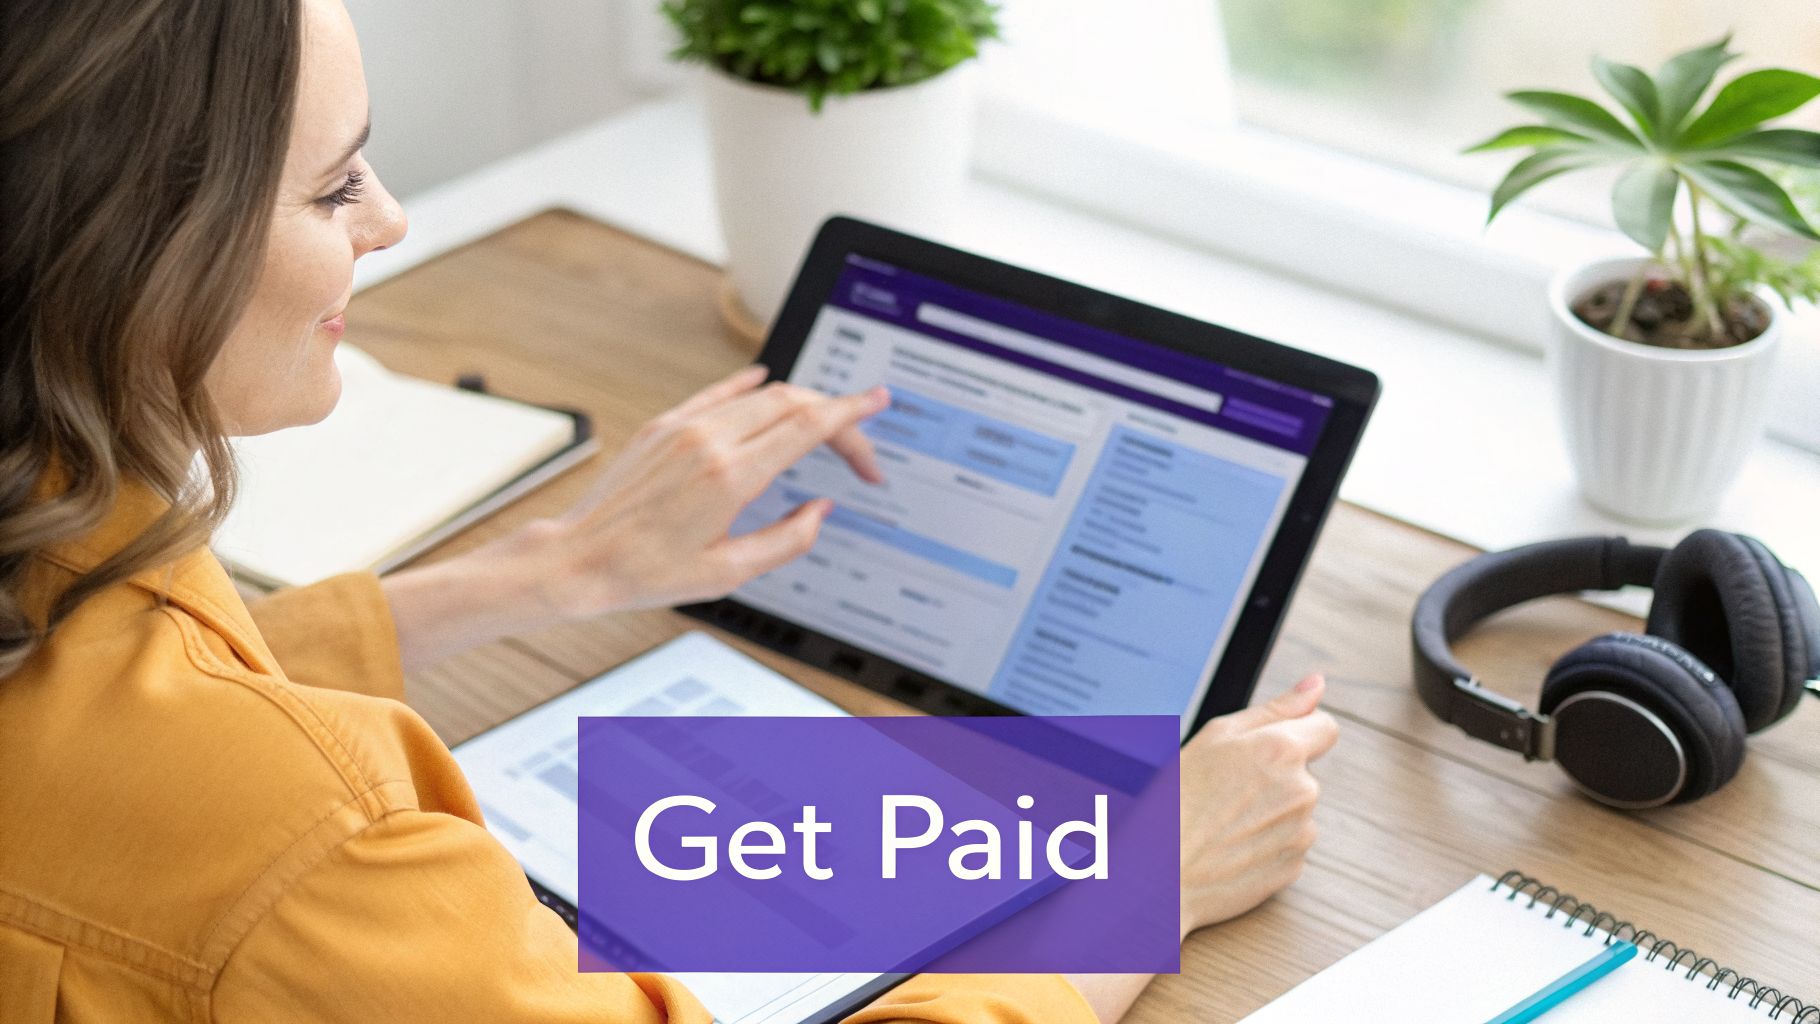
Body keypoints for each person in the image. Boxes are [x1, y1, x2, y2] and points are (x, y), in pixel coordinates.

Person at [0, 1, 1339, 1020]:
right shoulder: (300, 843)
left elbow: (113, 716)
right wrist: (1138, 887)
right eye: (336, 183)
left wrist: (544, 571)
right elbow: (206, 790)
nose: (391, 220)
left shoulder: (50, 537)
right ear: (125, 245)